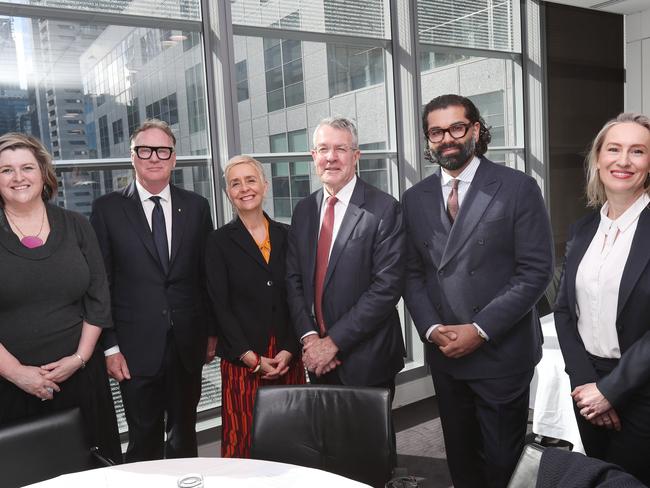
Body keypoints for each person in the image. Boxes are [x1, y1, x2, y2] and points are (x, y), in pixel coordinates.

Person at [402, 94, 554, 488]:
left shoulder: (517, 187)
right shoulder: (414, 198)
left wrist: (480, 329)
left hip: (501, 351)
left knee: (504, 462)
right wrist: (432, 329)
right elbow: (412, 273)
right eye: (436, 131)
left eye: (456, 127)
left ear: (476, 129)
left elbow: (535, 272)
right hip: (445, 351)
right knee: (460, 459)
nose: (446, 138)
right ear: (428, 140)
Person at [90, 119, 216, 462]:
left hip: (187, 345)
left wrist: (210, 334)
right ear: (133, 156)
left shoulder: (196, 206)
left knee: (183, 436)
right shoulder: (107, 209)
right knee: (143, 438)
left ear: (174, 158)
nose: (154, 157)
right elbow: (101, 284)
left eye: (163, 150)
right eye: (145, 150)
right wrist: (110, 346)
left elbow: (205, 278)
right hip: (133, 349)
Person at [0, 133, 121, 463]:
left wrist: (80, 358)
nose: (18, 177)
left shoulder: (77, 224)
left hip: (83, 380)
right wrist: (17, 373)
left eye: (26, 167)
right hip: (10, 389)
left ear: (42, 172)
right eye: (6, 170)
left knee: (97, 473)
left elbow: (99, 297)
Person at [554, 112, 650, 485]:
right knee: (597, 478)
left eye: (637, 151)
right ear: (598, 158)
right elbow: (564, 311)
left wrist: (612, 390)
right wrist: (586, 386)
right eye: (614, 149)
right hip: (588, 387)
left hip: (642, 390)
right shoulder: (583, 229)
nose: (623, 161)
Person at [286, 116, 406, 393]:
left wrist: (332, 343)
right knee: (325, 436)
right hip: (317, 358)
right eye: (323, 149)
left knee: (370, 438)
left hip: (368, 359)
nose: (331, 157)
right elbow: (293, 280)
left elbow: (386, 289)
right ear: (313, 156)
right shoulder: (304, 210)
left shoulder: (385, 209)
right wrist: (310, 340)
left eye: (340, 149)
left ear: (356, 156)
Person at [205, 155, 305, 458]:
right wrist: (250, 358)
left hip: (287, 353)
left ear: (265, 185)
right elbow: (218, 307)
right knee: (244, 441)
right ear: (227, 193)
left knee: (293, 436)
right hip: (243, 358)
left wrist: (289, 349)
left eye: (251, 180)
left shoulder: (289, 235)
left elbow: (298, 297)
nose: (244, 188)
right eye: (235, 183)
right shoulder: (217, 242)